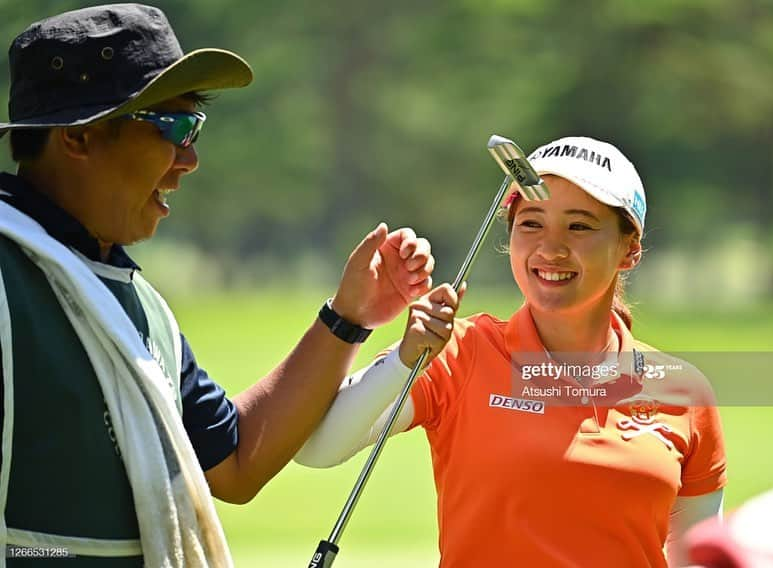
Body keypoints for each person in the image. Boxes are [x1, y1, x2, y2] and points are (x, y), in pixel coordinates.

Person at [0, 4, 434, 566]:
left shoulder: (135, 303)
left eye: (194, 127)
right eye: (171, 127)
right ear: (79, 137)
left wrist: (349, 317)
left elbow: (233, 463)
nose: (191, 159)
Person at [297, 135, 728, 567]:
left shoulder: (680, 390)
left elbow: (697, 556)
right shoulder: (458, 353)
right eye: (531, 223)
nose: (551, 248)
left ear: (629, 249)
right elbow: (317, 449)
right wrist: (402, 361)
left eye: (579, 226)